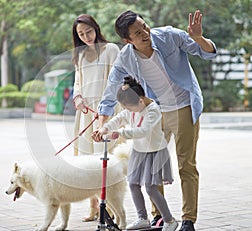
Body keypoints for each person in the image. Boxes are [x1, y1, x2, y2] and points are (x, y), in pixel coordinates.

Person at [93, 10, 217, 231]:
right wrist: (102, 123)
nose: (145, 33)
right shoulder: (126, 58)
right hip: (155, 111)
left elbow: (207, 53)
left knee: (186, 165)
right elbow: (111, 91)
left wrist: (199, 38)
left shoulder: (169, 36)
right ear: (127, 40)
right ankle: (159, 217)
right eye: (137, 33)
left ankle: (188, 220)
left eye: (145, 27)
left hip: (184, 108)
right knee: (153, 167)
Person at [95, 77, 178, 231]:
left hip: (155, 152)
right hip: (139, 151)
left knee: (151, 187)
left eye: (130, 108)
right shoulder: (133, 108)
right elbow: (119, 118)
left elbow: (143, 131)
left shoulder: (153, 110)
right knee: (133, 184)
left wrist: (119, 133)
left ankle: (169, 220)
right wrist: (104, 128)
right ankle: (142, 218)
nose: (129, 111)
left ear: (140, 101)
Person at [71, 14, 120, 222]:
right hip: (85, 113)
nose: (86, 37)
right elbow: (77, 82)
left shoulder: (111, 50)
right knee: (86, 162)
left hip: (106, 113)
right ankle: (93, 208)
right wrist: (78, 97)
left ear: (96, 28)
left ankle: (108, 208)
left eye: (88, 31)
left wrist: (104, 110)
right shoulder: (80, 55)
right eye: (81, 34)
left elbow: (117, 79)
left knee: (105, 160)